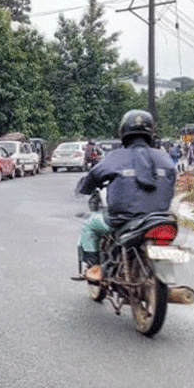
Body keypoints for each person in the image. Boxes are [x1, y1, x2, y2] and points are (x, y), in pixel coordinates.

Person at [76, 110, 177, 282]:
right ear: (151, 132)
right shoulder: (164, 157)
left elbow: (92, 177)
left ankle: (94, 268)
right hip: (160, 218)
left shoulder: (115, 157)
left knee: (90, 226)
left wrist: (84, 188)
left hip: (123, 219)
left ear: (123, 132)